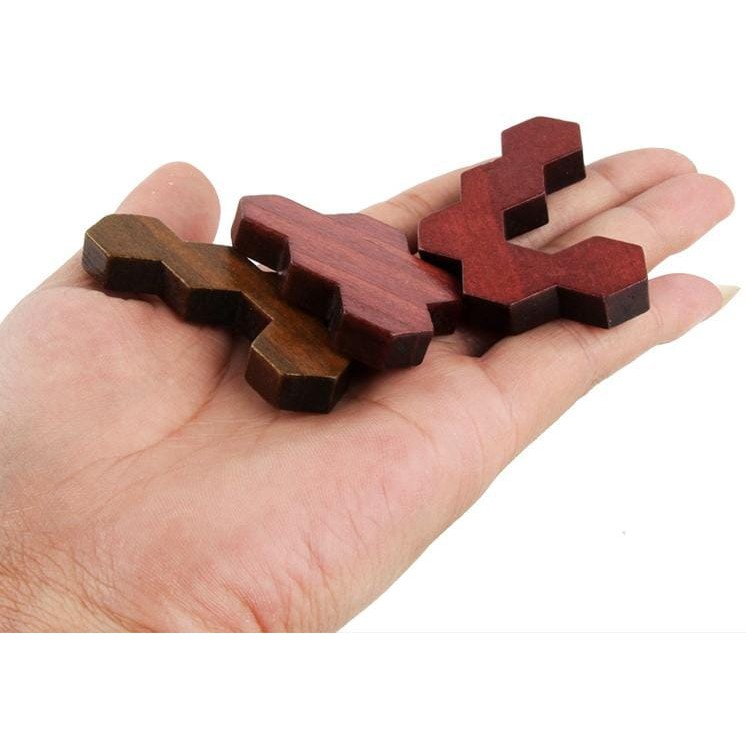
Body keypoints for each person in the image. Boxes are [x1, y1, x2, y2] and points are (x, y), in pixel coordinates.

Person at [0, 150, 736, 631]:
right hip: (362, 268)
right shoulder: (337, 293)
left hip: (380, 276)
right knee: (292, 326)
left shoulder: (397, 290)